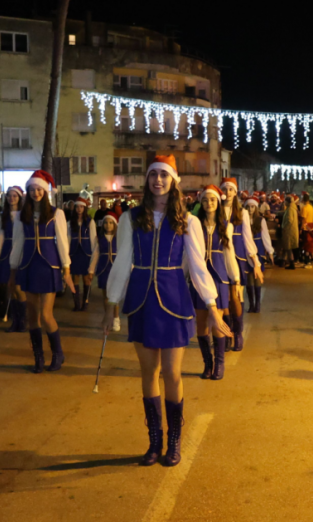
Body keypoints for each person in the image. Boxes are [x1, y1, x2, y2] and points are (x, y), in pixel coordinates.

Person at [101, 155, 232, 467]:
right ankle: (154, 441)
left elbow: (199, 267)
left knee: (172, 373)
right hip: (141, 300)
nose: (157, 180)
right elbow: (122, 262)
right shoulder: (130, 218)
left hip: (174, 299)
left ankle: (174, 442)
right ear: (147, 180)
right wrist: (111, 304)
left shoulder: (189, 220)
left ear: (174, 181)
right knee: (149, 372)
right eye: (153, 175)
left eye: (163, 175)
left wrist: (212, 306)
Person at [9, 170, 75, 373]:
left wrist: (66, 268)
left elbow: (63, 243)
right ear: (28, 192)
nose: (36, 193)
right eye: (32, 189)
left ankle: (58, 353)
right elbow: (18, 243)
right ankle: (38, 356)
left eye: (39, 189)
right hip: (29, 266)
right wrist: (13, 267)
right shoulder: (21, 215)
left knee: (46, 315)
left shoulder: (57, 213)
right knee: (32, 316)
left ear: (46, 191)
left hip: (49, 266)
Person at [192, 185, 240, 380]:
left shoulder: (226, 226)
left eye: (212, 200)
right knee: (201, 324)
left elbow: (230, 255)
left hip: (219, 278)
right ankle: (208, 363)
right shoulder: (195, 225)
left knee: (217, 322)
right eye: (205, 200)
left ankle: (220, 363)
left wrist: (235, 279)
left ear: (218, 203)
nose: (209, 203)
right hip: (199, 278)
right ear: (201, 203)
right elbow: (190, 255)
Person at [219, 177, 265, 352]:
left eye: (231, 189)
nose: (228, 193)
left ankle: (237, 334)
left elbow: (247, 237)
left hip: (237, 257)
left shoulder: (242, 213)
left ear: (236, 192)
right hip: (219, 257)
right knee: (223, 298)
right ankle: (226, 333)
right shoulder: (216, 209)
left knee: (236, 295)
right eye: (225, 189)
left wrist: (255, 262)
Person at [0, 186, 26, 332]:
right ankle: (15, 321)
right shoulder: (2, 217)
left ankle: (23, 321)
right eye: (9, 196)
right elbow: (0, 237)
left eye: (14, 196)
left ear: (19, 198)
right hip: (6, 252)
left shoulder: (24, 215)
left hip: (21, 252)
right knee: (10, 287)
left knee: (18, 287)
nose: (11, 198)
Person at [67, 197, 98, 311]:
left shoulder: (90, 222)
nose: (79, 209)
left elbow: (93, 239)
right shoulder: (70, 222)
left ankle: (85, 302)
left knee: (86, 278)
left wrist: (93, 254)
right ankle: (76, 304)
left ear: (84, 208)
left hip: (85, 253)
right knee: (75, 277)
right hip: (74, 252)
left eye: (81, 207)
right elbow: (67, 238)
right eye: (77, 207)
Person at [91, 214, 120, 330]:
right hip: (103, 269)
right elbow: (95, 254)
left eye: (111, 222)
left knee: (115, 296)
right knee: (106, 296)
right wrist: (91, 270)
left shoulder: (119, 238)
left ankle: (116, 318)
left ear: (115, 225)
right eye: (106, 222)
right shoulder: (99, 238)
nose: (108, 225)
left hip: (116, 269)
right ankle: (108, 317)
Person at [245, 198, 273, 313]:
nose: (250, 209)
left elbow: (265, 236)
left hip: (258, 248)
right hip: (246, 250)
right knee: (248, 278)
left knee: (257, 276)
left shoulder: (261, 220)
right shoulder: (243, 219)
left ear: (256, 208)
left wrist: (270, 251)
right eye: (248, 207)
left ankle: (257, 305)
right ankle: (251, 304)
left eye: (252, 207)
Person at [282, 196, 299, 269]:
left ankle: (291, 263)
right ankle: (287, 261)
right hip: (292, 230)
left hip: (289, 231)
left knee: (288, 247)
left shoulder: (289, 210)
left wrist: (283, 226)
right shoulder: (293, 208)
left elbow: (289, 220)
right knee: (288, 248)